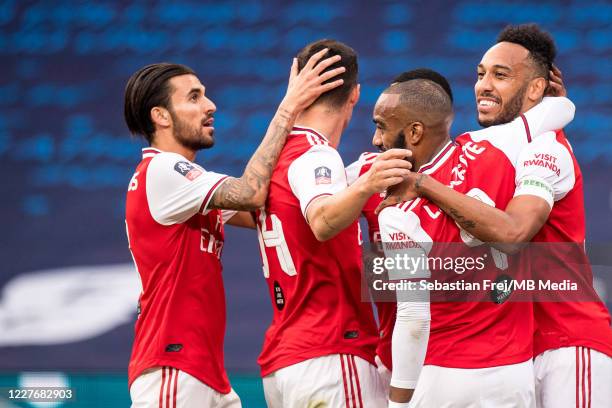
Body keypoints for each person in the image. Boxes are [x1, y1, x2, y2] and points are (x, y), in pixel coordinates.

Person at [380, 24, 612, 407]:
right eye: (480, 74)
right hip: (517, 353)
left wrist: (421, 185)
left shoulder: (547, 150)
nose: (484, 85)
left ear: (536, 88)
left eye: (500, 75)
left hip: (568, 343)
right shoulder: (485, 147)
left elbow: (514, 231)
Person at [124, 50, 346, 408]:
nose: (210, 105)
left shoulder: (186, 184)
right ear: (160, 116)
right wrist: (289, 109)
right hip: (171, 364)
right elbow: (251, 193)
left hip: (203, 371)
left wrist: (334, 179)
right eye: (194, 97)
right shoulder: (162, 171)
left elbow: (270, 209)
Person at [255, 39, 412, 407]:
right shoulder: (315, 154)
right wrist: (369, 183)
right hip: (331, 352)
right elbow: (322, 220)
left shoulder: (272, 164)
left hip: (287, 360)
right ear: (355, 95)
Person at [345, 69, 455, 395]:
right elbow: (297, 205)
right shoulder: (369, 172)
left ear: (417, 127)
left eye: (383, 126)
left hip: (459, 367)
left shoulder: (475, 172)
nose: (376, 140)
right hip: (393, 367)